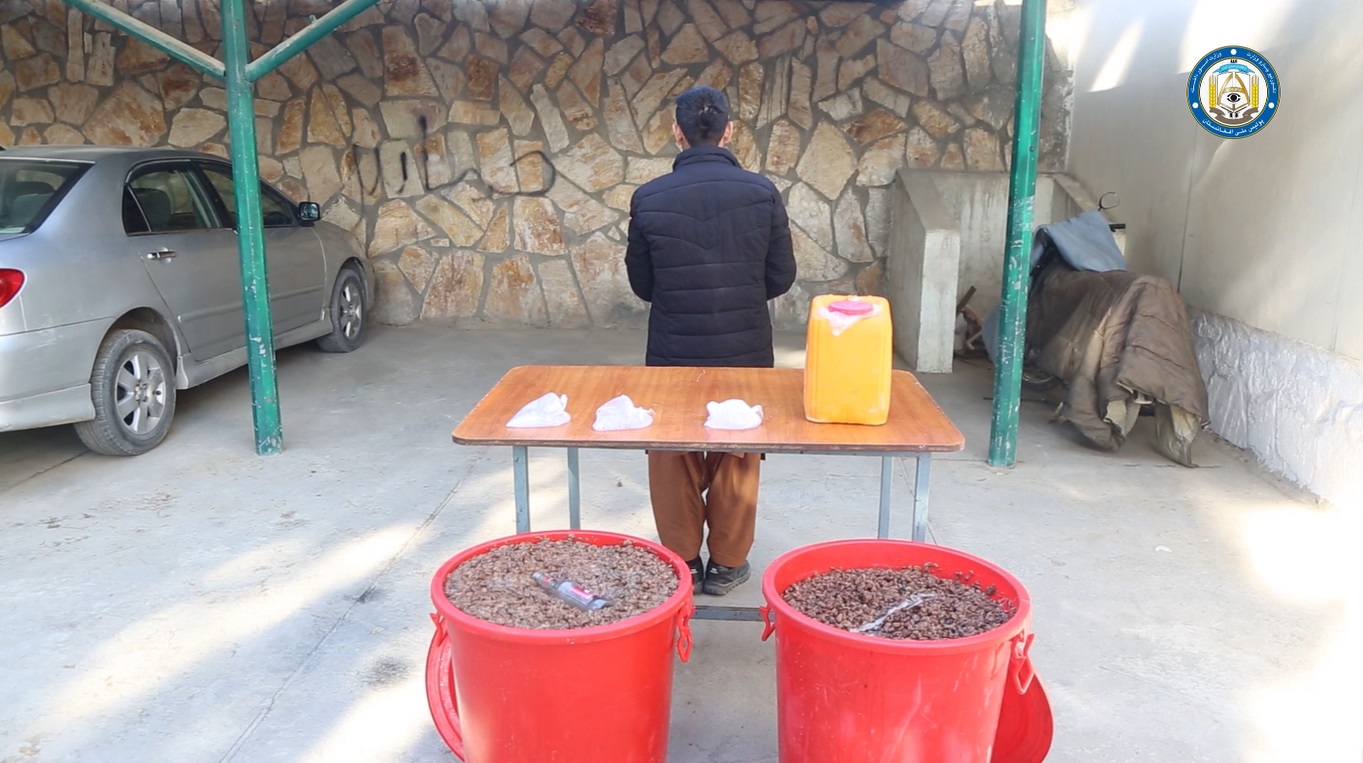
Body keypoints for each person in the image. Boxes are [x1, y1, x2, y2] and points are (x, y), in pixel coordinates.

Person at [624, 86, 797, 596]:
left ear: (677, 131)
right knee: (737, 450)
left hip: (673, 349)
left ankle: (681, 562)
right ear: (729, 130)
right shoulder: (762, 191)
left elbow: (643, 285)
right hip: (744, 348)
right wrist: (740, 292)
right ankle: (727, 563)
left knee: (671, 449)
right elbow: (780, 277)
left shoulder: (649, 197)